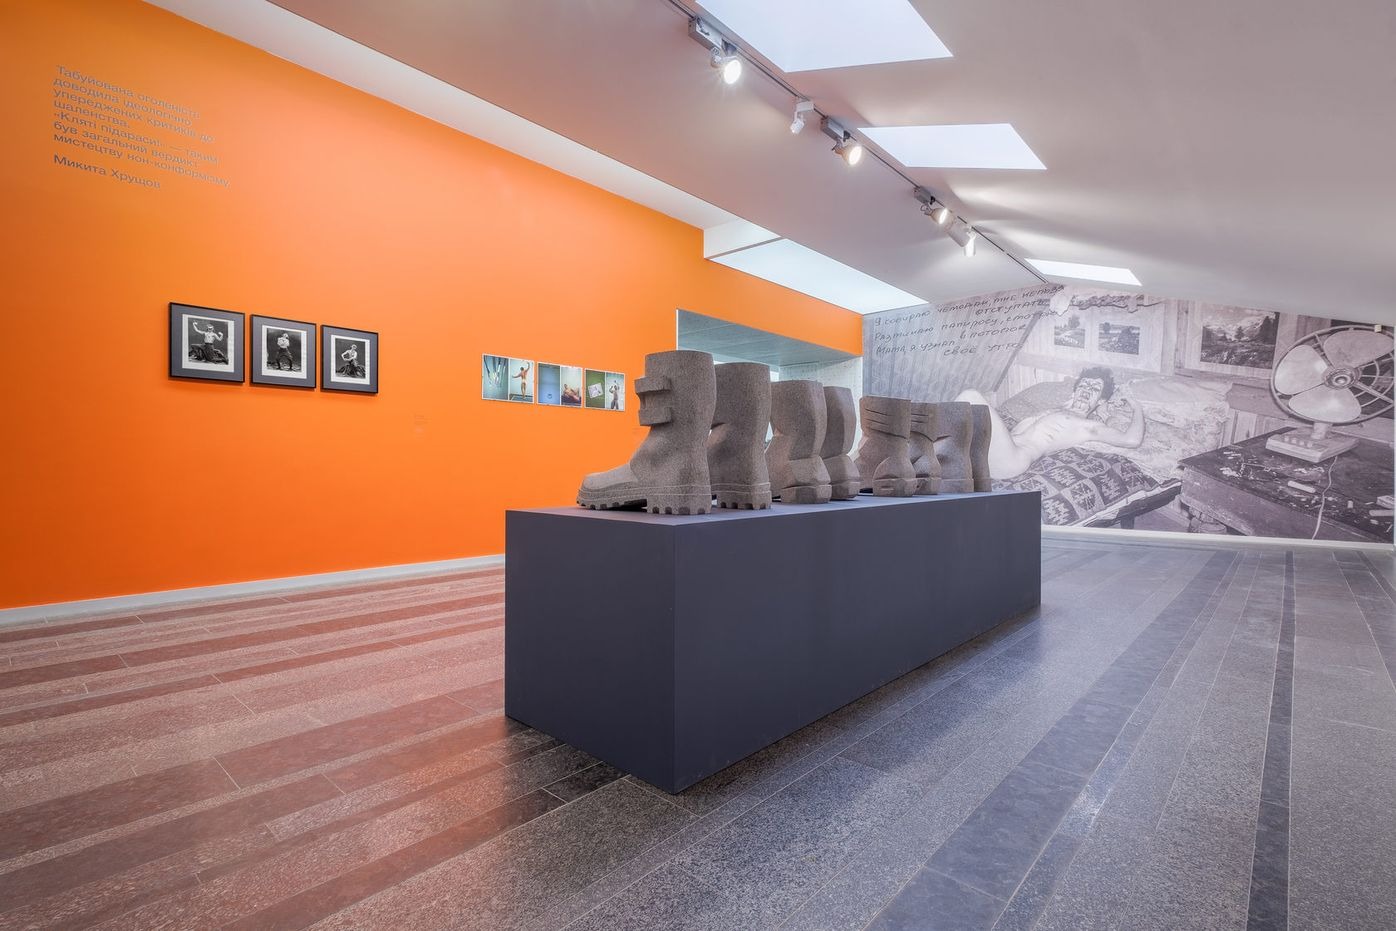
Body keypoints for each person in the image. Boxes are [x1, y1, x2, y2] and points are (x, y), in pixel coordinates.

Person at [956, 366, 1145, 479]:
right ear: (1075, 391)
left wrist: (1137, 407)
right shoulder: (1056, 410)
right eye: (1084, 385)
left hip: (1013, 459)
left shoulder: (1088, 426)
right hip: (998, 451)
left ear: (1101, 400)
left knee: (970, 396)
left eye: (1094, 388)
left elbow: (1132, 440)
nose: (1087, 390)